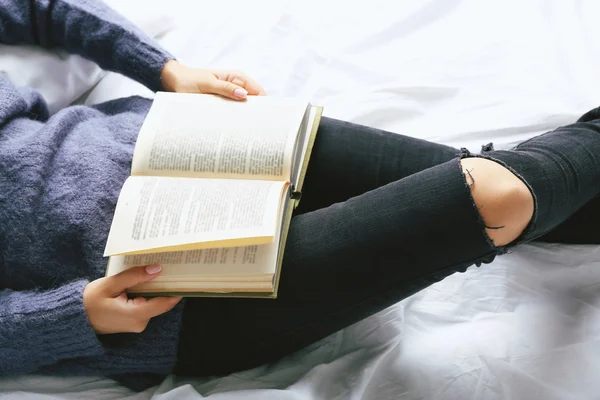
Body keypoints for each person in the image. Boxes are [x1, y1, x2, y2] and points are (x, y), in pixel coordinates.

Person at [0, 0, 598, 391]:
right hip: (160, 290)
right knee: (492, 193)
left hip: (181, 143)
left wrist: (166, 69)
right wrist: (70, 317)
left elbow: (42, 7)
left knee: (553, 200)